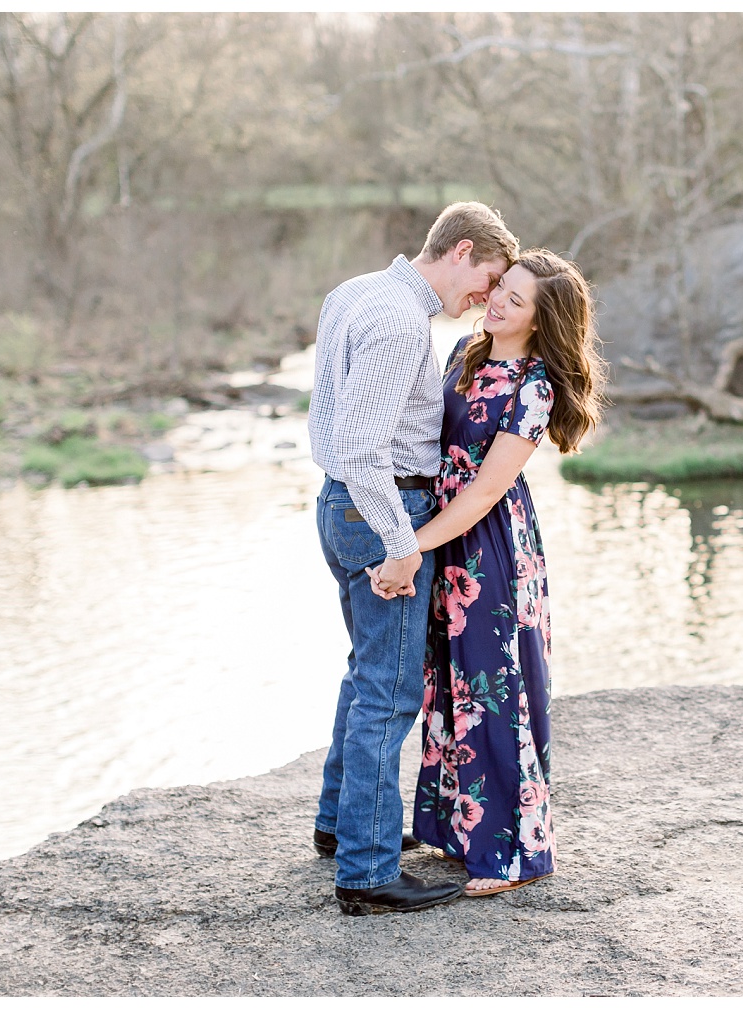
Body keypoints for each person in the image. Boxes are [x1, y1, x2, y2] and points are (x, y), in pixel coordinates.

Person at [371, 249, 605, 897]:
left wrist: (406, 546)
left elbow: (481, 493)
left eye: (517, 298)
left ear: (541, 320)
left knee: (490, 688)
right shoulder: (464, 355)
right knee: (446, 683)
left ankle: (507, 854)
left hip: (487, 548)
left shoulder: (533, 386)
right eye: (501, 285)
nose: (497, 299)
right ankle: (456, 829)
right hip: (441, 536)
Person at [308, 202, 519, 916]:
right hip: (381, 510)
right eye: (488, 279)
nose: (485, 299)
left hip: (338, 504)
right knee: (389, 692)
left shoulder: (356, 290)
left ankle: (342, 825)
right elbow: (365, 446)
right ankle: (366, 874)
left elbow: (327, 421)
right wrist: (402, 544)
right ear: (461, 250)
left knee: (364, 670)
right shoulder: (402, 322)